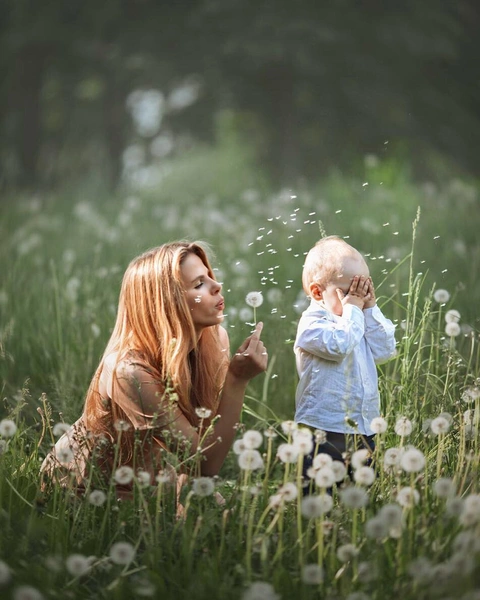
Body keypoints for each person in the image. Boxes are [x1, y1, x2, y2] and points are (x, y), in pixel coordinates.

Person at [40, 241, 268, 498]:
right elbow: (203, 464)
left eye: (209, 277)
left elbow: (201, 442)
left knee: (216, 502)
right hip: (87, 492)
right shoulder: (128, 371)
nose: (217, 286)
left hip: (149, 481)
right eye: (199, 284)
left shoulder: (214, 342)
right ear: (165, 303)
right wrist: (236, 380)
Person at [293, 235, 396, 490]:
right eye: (352, 290)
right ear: (317, 292)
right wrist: (353, 309)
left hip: (363, 427)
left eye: (365, 288)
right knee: (317, 494)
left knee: (363, 494)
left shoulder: (357, 316)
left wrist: (370, 308)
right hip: (323, 429)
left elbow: (385, 350)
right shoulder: (313, 325)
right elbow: (340, 345)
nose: (359, 297)